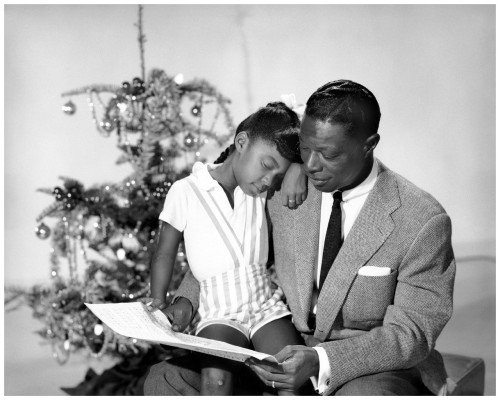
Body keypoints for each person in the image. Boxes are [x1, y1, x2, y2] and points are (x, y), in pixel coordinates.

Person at [144, 80, 456, 396]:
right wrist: (188, 298)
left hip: (364, 366)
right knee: (166, 379)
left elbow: (411, 333)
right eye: (305, 149)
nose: (311, 165)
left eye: (327, 153)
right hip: (275, 341)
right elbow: (232, 249)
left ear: (369, 144)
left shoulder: (422, 220)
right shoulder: (280, 187)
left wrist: (321, 360)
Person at [140, 101, 308, 396]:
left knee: (286, 373)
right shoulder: (186, 191)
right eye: (267, 166)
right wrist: (157, 299)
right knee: (216, 382)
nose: (269, 180)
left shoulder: (259, 191)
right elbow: (164, 252)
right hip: (219, 308)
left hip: (263, 302)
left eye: (277, 176)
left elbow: (306, 145)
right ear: (241, 142)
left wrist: (297, 167)